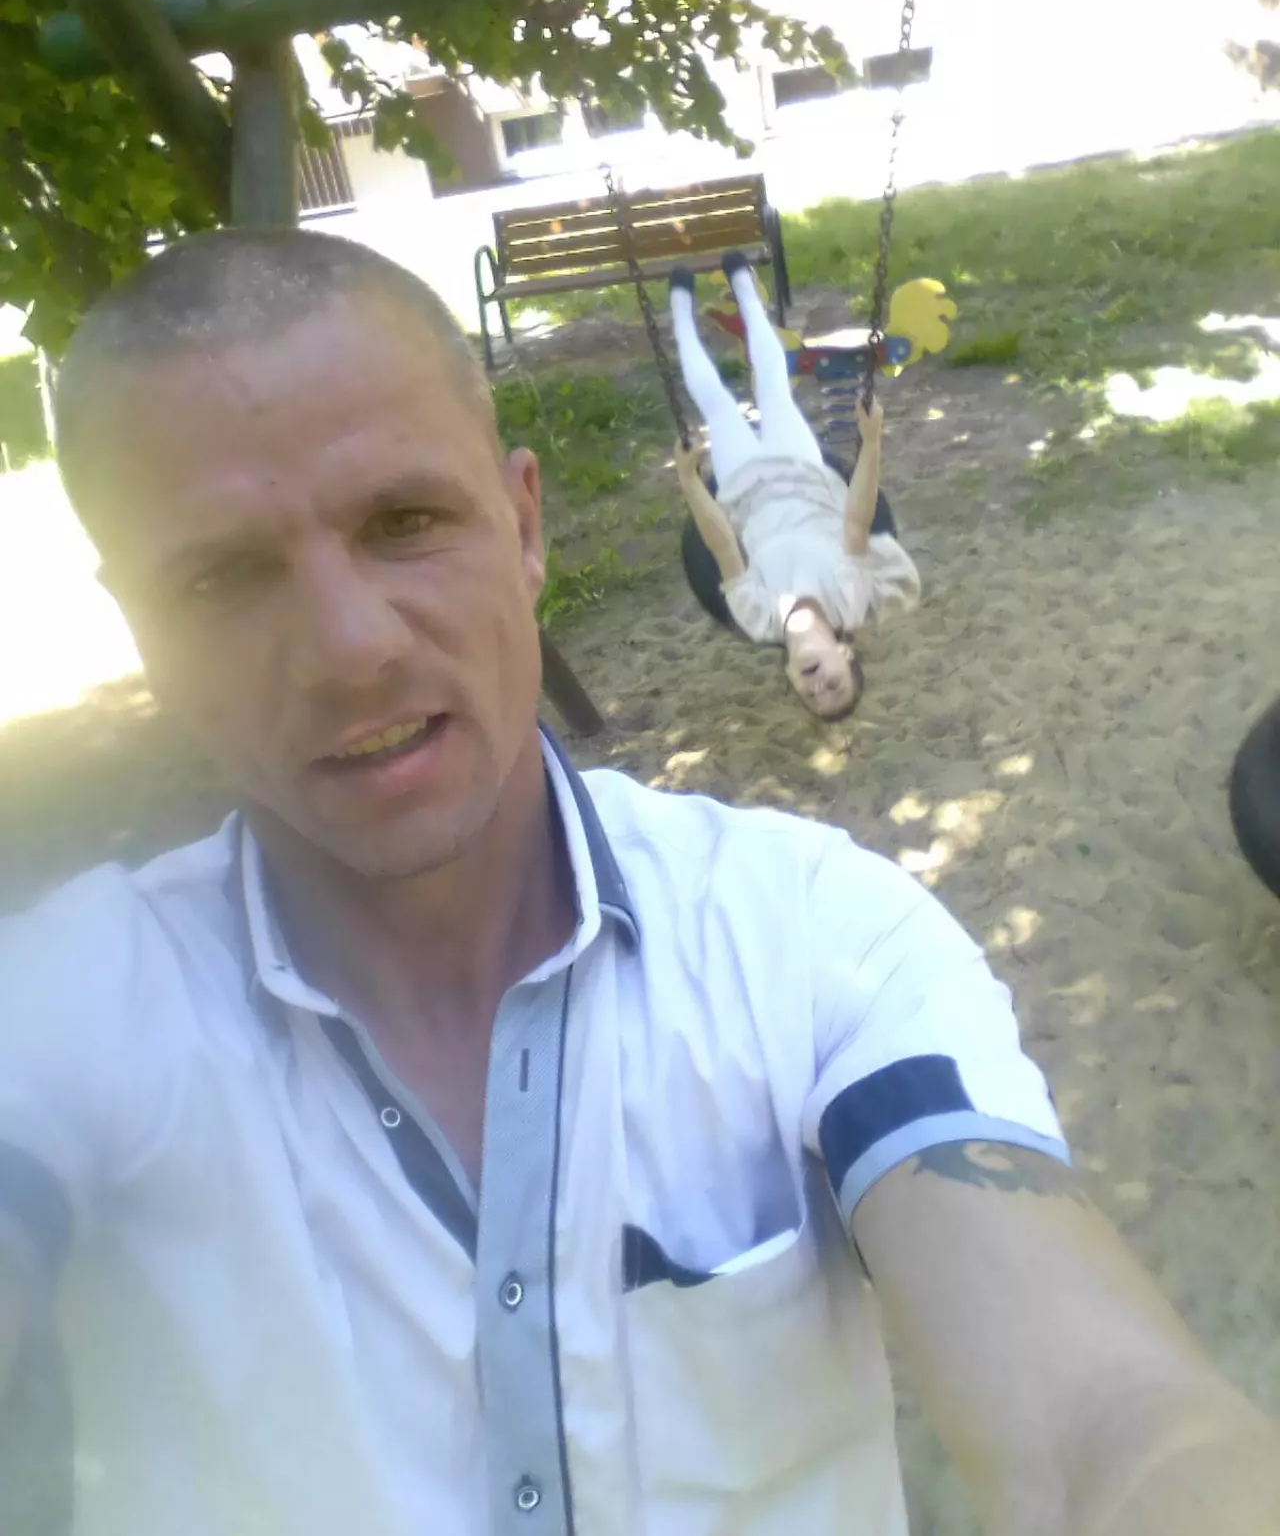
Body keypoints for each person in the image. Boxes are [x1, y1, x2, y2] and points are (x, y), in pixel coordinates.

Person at [1, 228, 1276, 1536]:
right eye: (220, 574)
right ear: (137, 623)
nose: (348, 648)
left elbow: (1104, 1422)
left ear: (525, 524)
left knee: (754, 379)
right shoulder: (60, 1014)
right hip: (772, 479)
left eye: (405, 522)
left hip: (773, 484)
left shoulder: (816, 939)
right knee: (743, 378)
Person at [670, 253, 920, 719]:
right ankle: (744, 286)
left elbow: (723, 546)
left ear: (789, 676)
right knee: (773, 388)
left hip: (742, 486)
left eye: (811, 696)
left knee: (716, 406)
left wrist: (689, 481)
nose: (818, 687)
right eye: (834, 685)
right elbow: (857, 520)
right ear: (845, 653)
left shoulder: (757, 618)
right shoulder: (848, 600)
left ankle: (680, 307)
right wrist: (871, 443)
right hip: (803, 472)